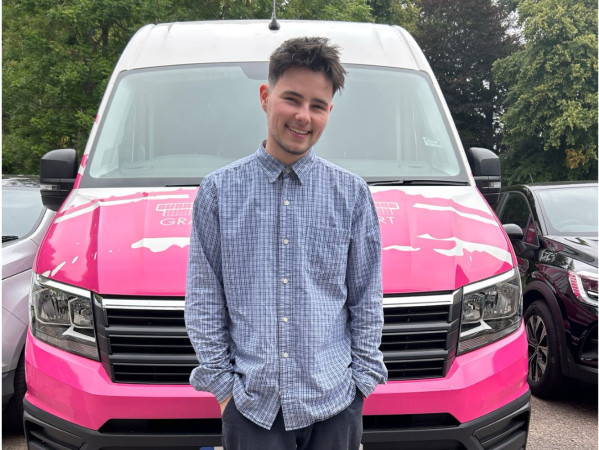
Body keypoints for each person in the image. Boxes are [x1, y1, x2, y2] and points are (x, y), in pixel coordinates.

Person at [185, 36, 387, 450]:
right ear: (265, 96)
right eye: (291, 99)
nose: (302, 115)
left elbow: (366, 296)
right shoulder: (219, 192)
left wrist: (361, 386)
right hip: (252, 408)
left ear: (329, 111)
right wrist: (224, 392)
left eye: (317, 105)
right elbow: (204, 296)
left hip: (335, 403)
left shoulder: (352, 194)